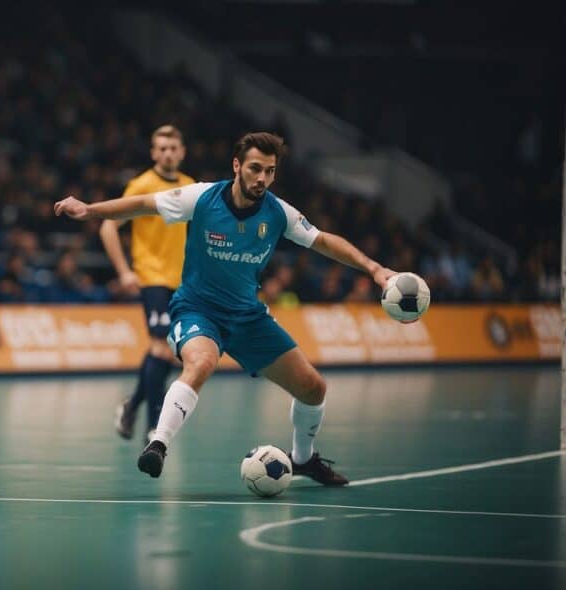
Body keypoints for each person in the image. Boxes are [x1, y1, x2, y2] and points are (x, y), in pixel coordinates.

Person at [55, 132, 399, 485]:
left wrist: (374, 269)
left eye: (270, 171)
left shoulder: (278, 213)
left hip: (248, 316)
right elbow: (144, 204)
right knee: (201, 362)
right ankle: (158, 444)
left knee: (314, 389)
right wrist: (89, 210)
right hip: (196, 310)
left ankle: (304, 459)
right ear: (237, 166)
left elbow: (323, 241)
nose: (262, 178)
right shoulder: (203, 197)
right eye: (254, 168)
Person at [99, 125, 193, 442]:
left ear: (182, 152)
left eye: (173, 148)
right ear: (154, 153)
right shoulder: (141, 185)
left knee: (168, 351)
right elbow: (109, 227)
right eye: (161, 148)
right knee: (160, 348)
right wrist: (124, 271)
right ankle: (155, 428)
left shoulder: (190, 186)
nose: (167, 153)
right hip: (152, 278)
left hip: (182, 281)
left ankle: (132, 405)